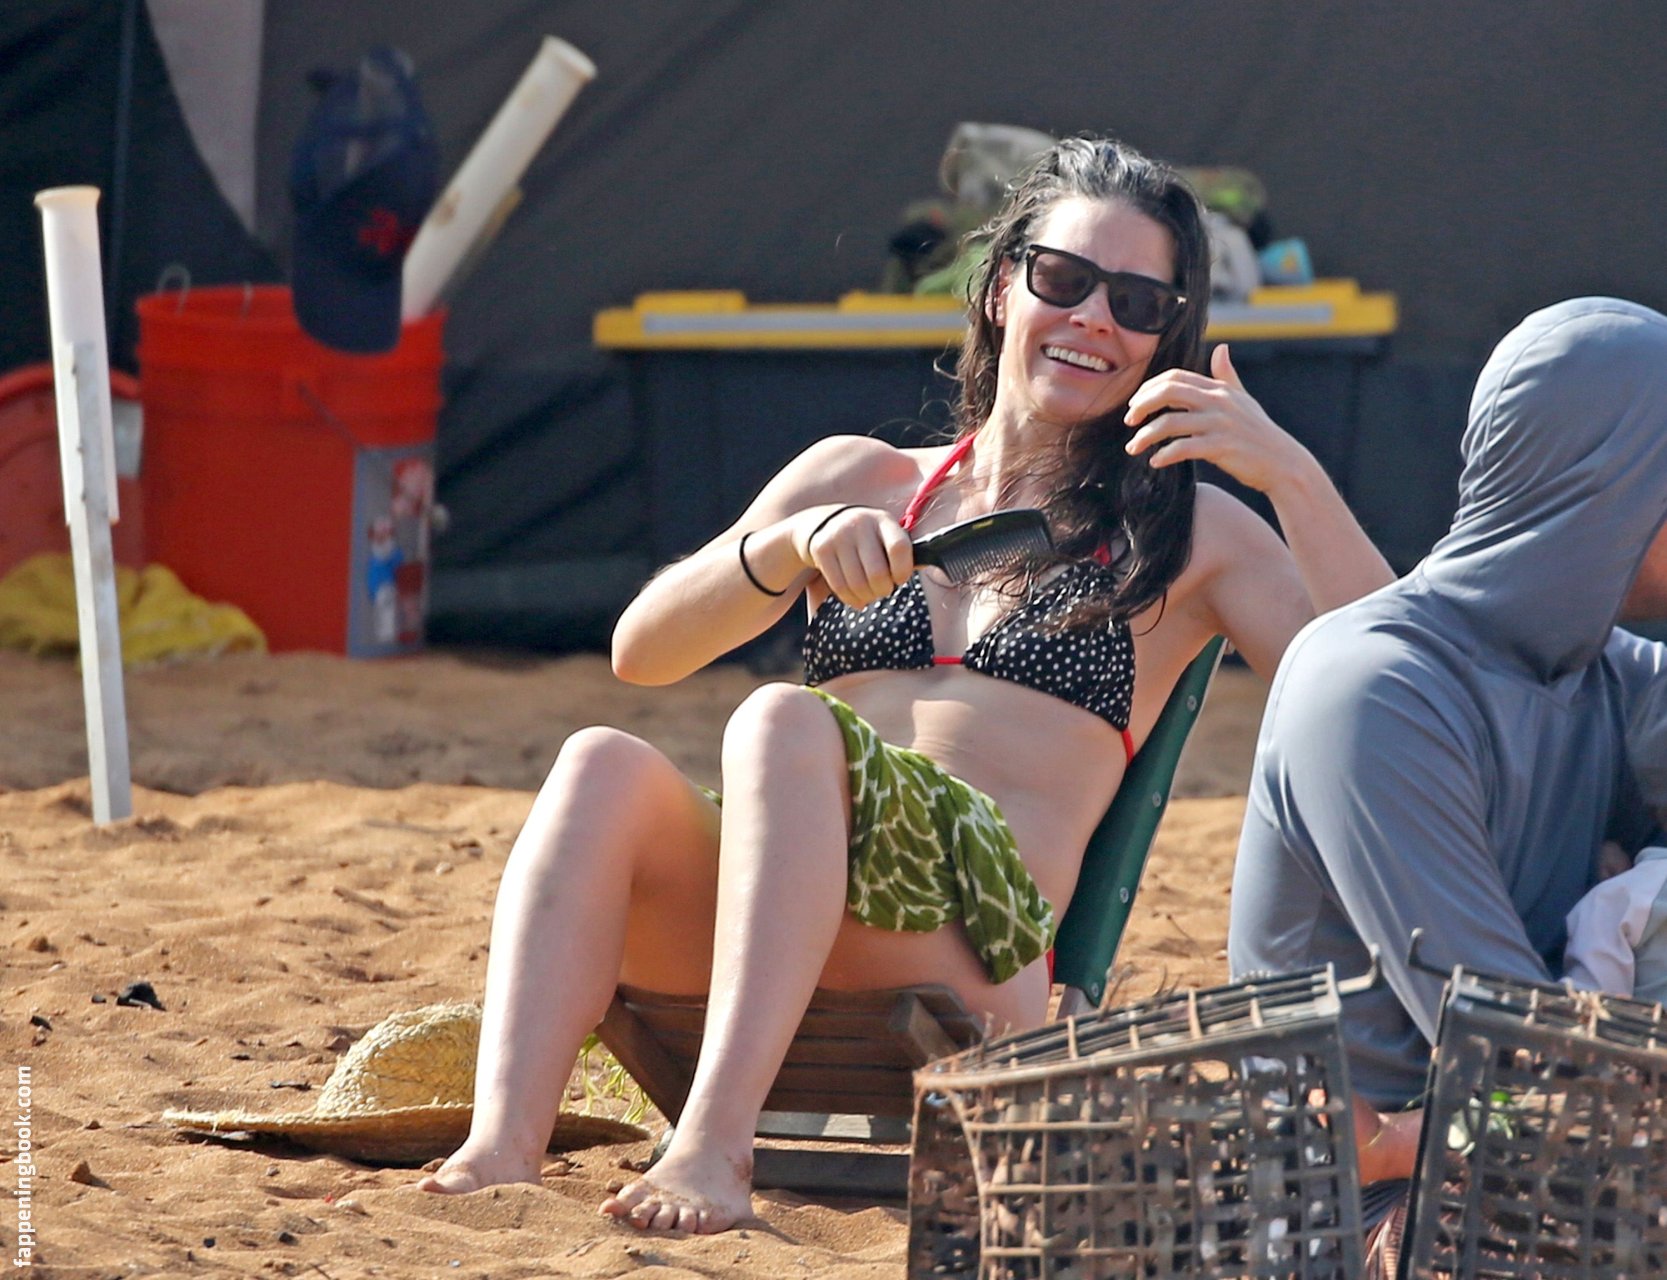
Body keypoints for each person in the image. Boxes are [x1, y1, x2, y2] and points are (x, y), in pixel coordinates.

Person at [416, 135, 1392, 1232]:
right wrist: (788, 546)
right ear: (1001, 289)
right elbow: (640, 652)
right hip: (775, 906)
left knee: (784, 719)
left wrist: (1288, 472)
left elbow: (1397, 684)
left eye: (1134, 302)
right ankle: (500, 1146)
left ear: (1167, 335)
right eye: (1063, 280)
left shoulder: (1188, 534)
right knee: (599, 761)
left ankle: (712, 1145)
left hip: (971, 939)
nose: (1091, 319)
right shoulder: (857, 477)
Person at [1226, 297, 1667, 1267]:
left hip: (1541, 1166)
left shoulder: (1606, 675)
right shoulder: (1371, 691)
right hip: (1369, 1214)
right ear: (1603, 485)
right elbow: (1529, 1074)